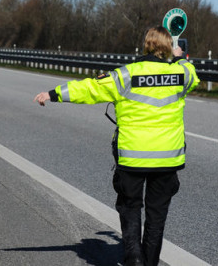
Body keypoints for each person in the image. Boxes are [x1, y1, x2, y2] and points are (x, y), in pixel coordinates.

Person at [33, 26, 199, 266]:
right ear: (167, 48)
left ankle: (133, 259)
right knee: (156, 218)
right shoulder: (181, 74)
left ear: (146, 46)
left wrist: (53, 93)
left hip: (133, 159)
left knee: (130, 208)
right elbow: (191, 71)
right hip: (168, 159)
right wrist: (179, 56)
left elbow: (90, 88)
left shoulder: (125, 75)